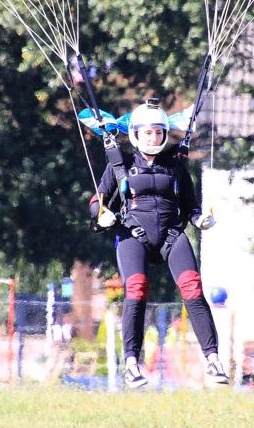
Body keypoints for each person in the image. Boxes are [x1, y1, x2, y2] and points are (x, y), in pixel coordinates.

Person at [88, 98, 228, 389]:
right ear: (137, 134)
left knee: (192, 287)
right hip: (133, 234)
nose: (154, 138)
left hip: (171, 234)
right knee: (136, 288)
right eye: (148, 132)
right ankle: (131, 364)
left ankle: (213, 359)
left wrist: (200, 219)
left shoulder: (174, 166)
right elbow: (96, 201)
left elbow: (190, 205)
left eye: (158, 132)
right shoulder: (121, 164)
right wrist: (102, 214)